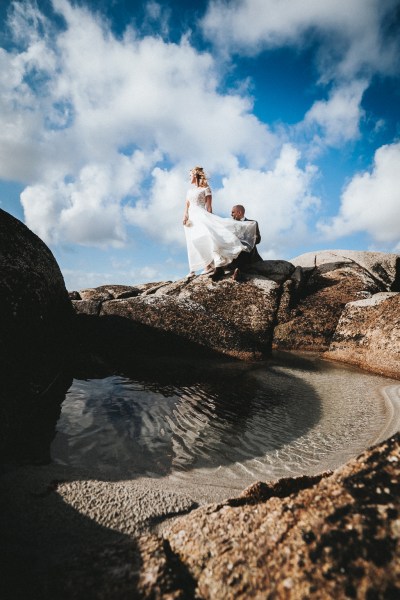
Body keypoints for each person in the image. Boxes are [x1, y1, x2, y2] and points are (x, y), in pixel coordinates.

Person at [182, 167, 257, 278]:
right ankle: (195, 268)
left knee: (209, 238)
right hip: (191, 219)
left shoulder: (206, 189)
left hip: (202, 216)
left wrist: (210, 219)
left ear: (196, 175)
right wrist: (185, 216)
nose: (189, 177)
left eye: (190, 175)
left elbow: (209, 207)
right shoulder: (189, 191)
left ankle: (209, 266)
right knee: (193, 241)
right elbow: (187, 206)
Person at [211, 204, 263, 281]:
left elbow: (258, 240)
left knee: (241, 249)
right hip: (233, 249)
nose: (231, 215)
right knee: (216, 246)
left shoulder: (252, 223)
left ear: (239, 212)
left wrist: (248, 238)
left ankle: (238, 272)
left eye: (233, 212)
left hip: (246, 251)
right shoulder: (231, 224)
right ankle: (219, 270)